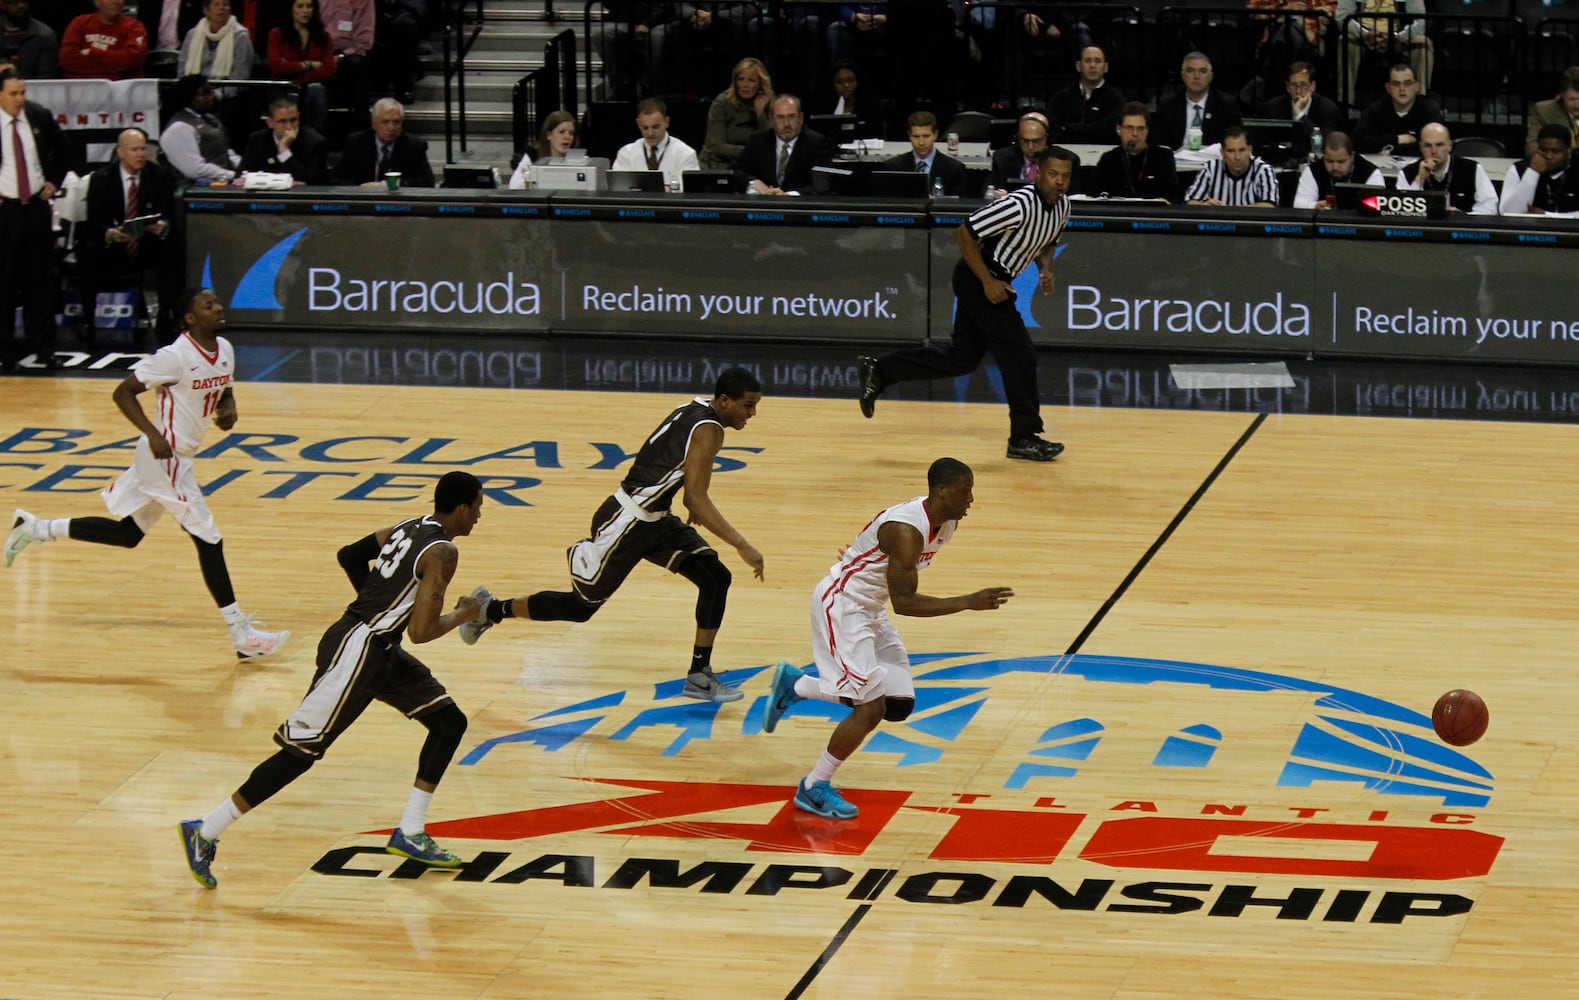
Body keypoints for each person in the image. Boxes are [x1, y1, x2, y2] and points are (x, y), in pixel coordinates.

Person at [178, 471, 486, 889]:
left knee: (449, 722)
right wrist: (466, 613)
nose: (480, 517)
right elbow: (422, 632)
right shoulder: (443, 553)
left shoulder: (407, 526)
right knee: (299, 754)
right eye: (478, 507)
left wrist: (374, 603)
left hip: (378, 645)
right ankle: (205, 830)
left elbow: (349, 555)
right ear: (463, 507)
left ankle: (411, 832)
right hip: (357, 652)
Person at [5, 287, 290, 659]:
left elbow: (225, 389)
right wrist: (153, 434)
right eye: (208, 305)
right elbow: (123, 392)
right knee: (209, 538)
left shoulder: (224, 349)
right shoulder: (173, 357)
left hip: (179, 457)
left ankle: (33, 527)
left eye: (217, 302)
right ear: (190, 318)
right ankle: (242, 636)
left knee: (128, 534)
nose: (218, 307)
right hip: (163, 457)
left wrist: (229, 408)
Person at [461, 368, 766, 704]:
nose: (752, 413)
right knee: (580, 608)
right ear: (724, 401)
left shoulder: (694, 410)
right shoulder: (709, 429)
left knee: (714, 577)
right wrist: (742, 544)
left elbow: (672, 467)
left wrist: (689, 498)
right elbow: (694, 496)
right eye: (748, 405)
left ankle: (698, 674)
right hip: (629, 522)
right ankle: (490, 610)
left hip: (656, 518)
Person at [761, 458, 1012, 820]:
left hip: (870, 607)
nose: (971, 498)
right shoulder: (907, 531)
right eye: (965, 490)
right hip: (844, 607)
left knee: (896, 704)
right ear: (941, 491)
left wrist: (862, 558)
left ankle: (798, 686)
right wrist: (968, 602)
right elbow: (906, 603)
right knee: (870, 708)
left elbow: (886, 565)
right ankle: (814, 787)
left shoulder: (947, 523)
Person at [858, 146, 1076, 463]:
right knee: (1020, 354)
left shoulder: (1063, 207)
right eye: (1053, 174)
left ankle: (880, 371)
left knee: (962, 358)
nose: (1059, 182)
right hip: (979, 277)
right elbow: (964, 234)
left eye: (1065, 176)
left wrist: (1046, 269)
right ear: (1038, 173)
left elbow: (1048, 241)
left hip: (997, 280)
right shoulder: (1018, 204)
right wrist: (988, 281)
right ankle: (1023, 437)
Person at [76, 128, 181, 343]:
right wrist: (109, 233)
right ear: (121, 152)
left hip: (146, 244)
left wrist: (162, 226)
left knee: (172, 249)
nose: (141, 154)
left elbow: (167, 213)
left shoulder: (158, 175)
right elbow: (93, 221)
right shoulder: (101, 179)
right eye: (134, 150)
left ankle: (166, 315)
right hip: (114, 246)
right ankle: (87, 318)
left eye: (143, 149)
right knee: (87, 250)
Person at [0, 66, 67, 372]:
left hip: (37, 208)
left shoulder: (38, 115)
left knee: (41, 281)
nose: (20, 99)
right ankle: (5, 351)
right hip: (6, 211)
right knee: (5, 282)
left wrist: (53, 180)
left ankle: (44, 347)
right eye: (13, 94)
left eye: (23, 92)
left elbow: (64, 150)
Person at [1335, 0, 1431, 106]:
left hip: (1400, 39)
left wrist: (1399, 37)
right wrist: (1366, 34)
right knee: (1344, 40)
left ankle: (1420, 103)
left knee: (1423, 43)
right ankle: (1345, 104)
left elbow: (1420, 21)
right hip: (1363, 38)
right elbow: (1342, 18)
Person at [733, 93, 833, 195]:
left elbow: (822, 185)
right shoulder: (758, 141)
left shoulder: (817, 143)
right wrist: (753, 183)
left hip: (799, 207)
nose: (786, 124)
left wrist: (789, 195)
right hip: (763, 206)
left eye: (792, 117)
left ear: (801, 118)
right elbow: (735, 171)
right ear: (771, 120)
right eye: (780, 117)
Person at [1396, 122, 1497, 215]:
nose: (1434, 151)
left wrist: (1463, 217)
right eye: (1428, 146)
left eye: (1439, 145)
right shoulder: (1407, 172)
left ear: (1450, 146)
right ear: (1421, 147)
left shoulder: (1472, 169)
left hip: (1462, 230)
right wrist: (1419, 180)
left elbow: (1490, 207)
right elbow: (1402, 212)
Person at [1152, 52, 1242, 153]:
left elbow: (1233, 142)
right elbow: (1160, 143)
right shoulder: (1168, 104)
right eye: (1190, 71)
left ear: (1211, 76)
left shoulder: (1226, 105)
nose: (1196, 76)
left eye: (1202, 71)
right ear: (1182, 75)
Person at [266, 0, 335, 132]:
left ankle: (314, 139)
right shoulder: (277, 34)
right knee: (294, 93)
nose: (305, 10)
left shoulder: (324, 37)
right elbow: (277, 67)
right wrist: (309, 65)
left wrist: (295, 75)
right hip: (284, 88)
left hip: (310, 90)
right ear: (291, 9)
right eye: (300, 6)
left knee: (316, 89)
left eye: (309, 6)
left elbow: (328, 70)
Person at [334, 97, 434, 187]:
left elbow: (427, 182)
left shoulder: (414, 146)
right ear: (374, 123)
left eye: (396, 122)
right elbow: (337, 179)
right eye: (385, 122)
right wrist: (361, 189)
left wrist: (387, 185)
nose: (391, 128)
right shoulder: (356, 143)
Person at [159, 74, 241, 183]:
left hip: (227, 181)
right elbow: (195, 170)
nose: (211, 97)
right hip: (198, 189)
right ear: (188, 97)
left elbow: (225, 152)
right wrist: (232, 175)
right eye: (204, 93)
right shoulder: (179, 128)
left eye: (211, 92)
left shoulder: (211, 119)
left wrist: (244, 168)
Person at [1353, 62, 1441, 159]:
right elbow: (1358, 142)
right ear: (1388, 88)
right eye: (1396, 84)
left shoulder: (1429, 110)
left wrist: (1387, 148)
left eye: (1407, 83)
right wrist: (1397, 139)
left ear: (1417, 86)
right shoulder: (1375, 110)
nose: (1402, 89)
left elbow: (1432, 147)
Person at [700, 56, 772, 171]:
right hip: (719, 165)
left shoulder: (769, 104)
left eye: (751, 80)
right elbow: (718, 147)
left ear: (760, 84)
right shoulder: (722, 103)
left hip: (752, 167)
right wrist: (753, 152)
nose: (745, 85)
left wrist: (760, 113)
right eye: (741, 79)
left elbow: (771, 145)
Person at [1095, 101, 1177, 202]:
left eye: (1140, 128)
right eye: (1129, 128)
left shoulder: (1163, 157)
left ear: (1147, 130)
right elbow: (1094, 193)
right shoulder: (1109, 158)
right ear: (1118, 129)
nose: (1135, 134)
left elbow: (1170, 195)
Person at [239, 93, 328, 183]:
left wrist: (284, 151)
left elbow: (308, 182)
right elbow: (240, 177)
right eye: (282, 121)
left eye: (293, 120)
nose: (289, 127)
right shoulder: (257, 140)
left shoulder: (314, 142)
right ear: (270, 122)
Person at [612, 98, 699, 189]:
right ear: (638, 124)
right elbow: (619, 189)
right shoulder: (626, 154)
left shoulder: (685, 154)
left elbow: (689, 189)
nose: (650, 133)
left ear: (666, 122)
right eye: (645, 128)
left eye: (655, 127)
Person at [1184, 126, 1280, 207]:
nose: (1237, 157)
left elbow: (1269, 205)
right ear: (1222, 152)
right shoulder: (1211, 168)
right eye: (1231, 151)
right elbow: (1191, 201)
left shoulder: (1263, 170)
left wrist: (1228, 211)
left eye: (1242, 150)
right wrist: (1205, 206)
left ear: (1250, 150)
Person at [881, 109, 969, 197]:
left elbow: (957, 205)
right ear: (909, 136)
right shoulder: (893, 167)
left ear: (935, 135)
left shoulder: (954, 169)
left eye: (926, 136)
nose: (921, 142)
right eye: (916, 136)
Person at [1048, 45, 1124, 144]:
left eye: (1097, 61)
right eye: (1088, 61)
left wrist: (1069, 128)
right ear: (1078, 66)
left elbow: (1108, 129)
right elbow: (1053, 125)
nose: (1092, 65)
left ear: (1106, 67)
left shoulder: (1116, 98)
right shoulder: (1062, 96)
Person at [1292, 129, 1381, 209]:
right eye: (1330, 161)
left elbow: (1379, 206)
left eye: (1341, 162)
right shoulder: (1313, 170)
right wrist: (1315, 206)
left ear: (1352, 157)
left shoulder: (1370, 173)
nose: (1335, 167)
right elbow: (1299, 203)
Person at [59, 0, 148, 79]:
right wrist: (114, 68)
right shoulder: (80, 23)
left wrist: (92, 53)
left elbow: (131, 61)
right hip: (82, 90)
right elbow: (67, 60)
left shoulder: (135, 27)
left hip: (121, 90)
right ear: (96, 2)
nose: (116, 1)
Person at [1502, 125, 1577, 215]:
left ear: (1568, 150)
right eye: (1543, 150)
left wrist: (1547, 215)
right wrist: (1533, 172)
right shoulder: (1519, 169)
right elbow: (1508, 212)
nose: (1549, 156)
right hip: (1528, 228)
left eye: (1555, 151)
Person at [1254, 61, 1344, 135]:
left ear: (1312, 86)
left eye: (1303, 85)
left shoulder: (1328, 110)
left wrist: (1299, 115)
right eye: (1293, 85)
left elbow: (1323, 143)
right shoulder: (1272, 108)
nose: (1298, 91)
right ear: (1287, 87)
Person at [178, 0, 254, 83]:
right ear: (206, 10)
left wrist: (215, 94)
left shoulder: (240, 36)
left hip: (225, 91)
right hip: (194, 90)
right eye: (216, 4)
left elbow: (241, 75)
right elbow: (182, 70)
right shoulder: (192, 34)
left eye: (225, 4)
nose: (222, 8)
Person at [813, 60, 884, 139]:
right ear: (832, 85)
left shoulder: (871, 106)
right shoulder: (823, 107)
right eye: (839, 82)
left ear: (857, 82)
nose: (846, 85)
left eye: (850, 81)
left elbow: (877, 135)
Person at [507, 108, 575, 189]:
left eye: (571, 133)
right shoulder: (532, 155)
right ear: (548, 135)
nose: (567, 137)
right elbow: (515, 185)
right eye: (561, 132)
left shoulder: (578, 159)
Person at [1524, 66, 1579, 161]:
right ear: (1562, 94)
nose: (1577, 105)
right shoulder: (1543, 110)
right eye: (1571, 99)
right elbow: (1531, 148)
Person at [988, 111, 1048, 193]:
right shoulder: (1002, 158)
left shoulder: (1061, 161)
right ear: (1018, 138)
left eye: (1036, 141)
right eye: (1025, 141)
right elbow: (990, 190)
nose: (1030, 147)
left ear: (1046, 138)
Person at [1, 0, 57, 78]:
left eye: (24, 1)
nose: (21, 5)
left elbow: (45, 76)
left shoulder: (44, 35)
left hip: (34, 88)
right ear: (2, 4)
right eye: (15, 1)